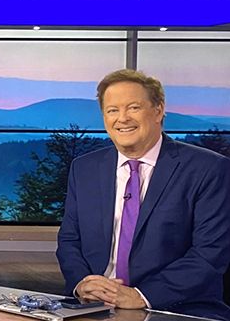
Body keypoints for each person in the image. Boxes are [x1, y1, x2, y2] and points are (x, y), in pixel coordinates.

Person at [57, 69, 230, 320]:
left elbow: (210, 253)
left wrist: (140, 295)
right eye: (112, 110)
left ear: (158, 111)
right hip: (94, 306)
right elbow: (69, 241)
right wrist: (82, 283)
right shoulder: (84, 168)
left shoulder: (207, 169)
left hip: (176, 307)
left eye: (134, 108)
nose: (122, 118)